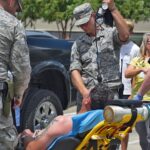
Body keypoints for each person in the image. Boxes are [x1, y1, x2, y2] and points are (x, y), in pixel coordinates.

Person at [70, 0, 129, 112]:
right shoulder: (78, 44)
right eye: (80, 24)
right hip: (87, 97)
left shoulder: (110, 34)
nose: (83, 26)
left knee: (111, 128)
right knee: (85, 129)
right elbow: (74, 71)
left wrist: (113, 9)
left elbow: (125, 34)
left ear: (93, 16)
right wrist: (85, 93)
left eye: (86, 22)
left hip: (110, 95)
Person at [20, 83, 114, 150]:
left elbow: (32, 148)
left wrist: (25, 136)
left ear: (87, 100)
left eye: (87, 93)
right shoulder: (103, 124)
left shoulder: (62, 123)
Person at [0, 0, 31, 149]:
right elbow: (21, 69)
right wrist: (18, 94)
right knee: (5, 140)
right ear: (11, 1)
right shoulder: (13, 24)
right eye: (16, 8)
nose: (15, 12)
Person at [125, 33, 150, 150]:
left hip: (149, 102)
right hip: (138, 103)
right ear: (145, 44)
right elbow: (127, 73)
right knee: (142, 137)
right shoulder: (137, 60)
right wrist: (140, 68)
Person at [119, 20, 140, 150]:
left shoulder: (135, 49)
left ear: (130, 32)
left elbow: (135, 75)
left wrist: (132, 93)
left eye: (126, 30)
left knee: (125, 123)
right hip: (113, 88)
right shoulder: (114, 46)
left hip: (126, 90)